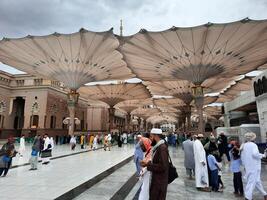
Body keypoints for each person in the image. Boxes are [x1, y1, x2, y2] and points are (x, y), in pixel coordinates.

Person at [141, 128, 169, 200]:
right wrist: (147, 163)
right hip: (157, 180)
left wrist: (148, 165)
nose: (150, 139)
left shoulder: (162, 148)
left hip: (159, 182)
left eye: (151, 136)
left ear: (155, 136)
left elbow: (163, 166)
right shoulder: (158, 147)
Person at [240, 132, 267, 200]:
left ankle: (265, 194)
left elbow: (242, 157)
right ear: (253, 138)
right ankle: (248, 197)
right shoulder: (253, 145)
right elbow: (255, 154)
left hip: (248, 166)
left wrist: (245, 166)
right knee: (251, 182)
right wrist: (263, 155)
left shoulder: (244, 145)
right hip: (254, 166)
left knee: (256, 181)